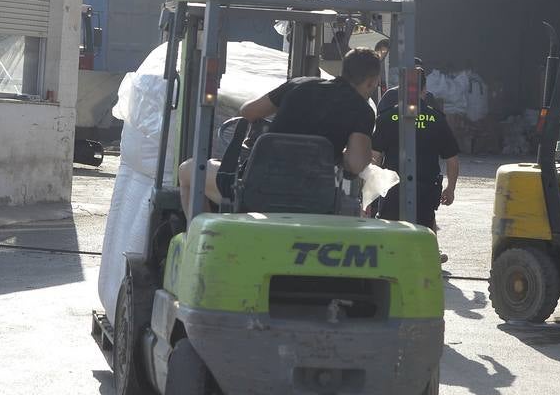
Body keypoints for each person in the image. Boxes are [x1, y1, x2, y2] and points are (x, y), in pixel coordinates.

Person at [179, 47, 383, 218]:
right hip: (314, 195)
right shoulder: (362, 110)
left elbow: (248, 112)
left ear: (344, 70)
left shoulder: (299, 85)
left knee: (187, 170)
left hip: (258, 190)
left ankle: (205, 240)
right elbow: (356, 165)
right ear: (372, 82)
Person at [372, 66, 460, 260]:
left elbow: (374, 158)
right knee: (426, 227)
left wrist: (370, 194)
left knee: (387, 237)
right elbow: (452, 159)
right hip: (426, 191)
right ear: (424, 90)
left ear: (400, 90)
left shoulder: (386, 118)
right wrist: (450, 188)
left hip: (392, 190)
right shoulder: (437, 119)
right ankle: (430, 256)